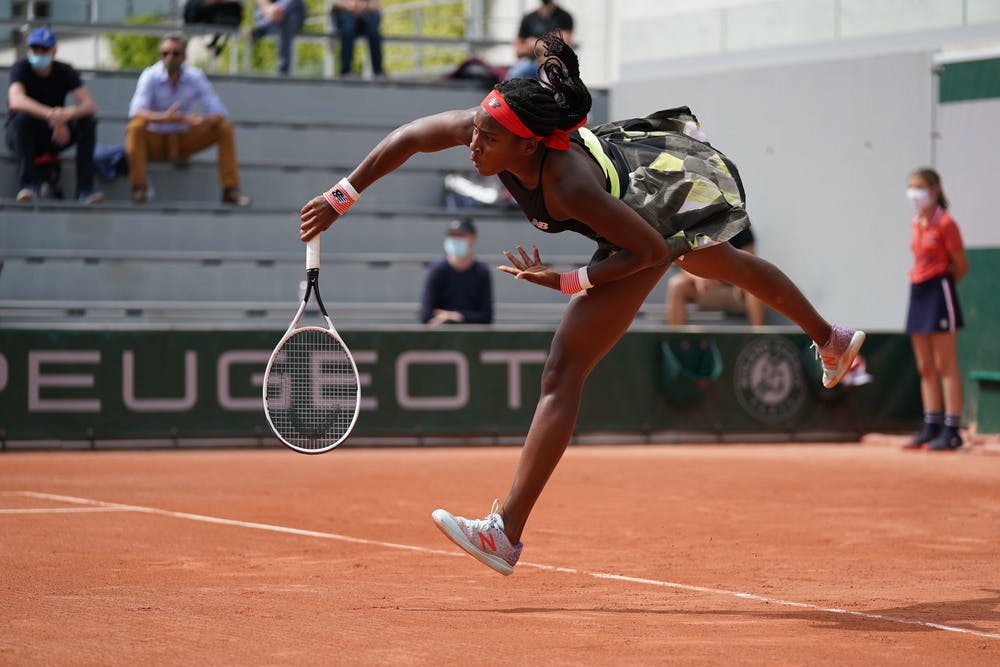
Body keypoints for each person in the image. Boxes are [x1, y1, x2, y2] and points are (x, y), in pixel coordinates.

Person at [298, 33, 866, 575]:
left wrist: (570, 281)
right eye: (475, 130)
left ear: (527, 143)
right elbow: (413, 136)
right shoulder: (496, 129)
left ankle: (505, 532)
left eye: (488, 138)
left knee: (564, 370)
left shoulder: (567, 184)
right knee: (726, 265)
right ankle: (831, 341)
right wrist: (341, 195)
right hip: (625, 190)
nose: (473, 143)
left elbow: (646, 249)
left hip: (643, 225)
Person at [125, 32, 250, 206]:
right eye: (165, 53)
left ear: (184, 56)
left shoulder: (195, 77)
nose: (170, 58)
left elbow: (218, 111)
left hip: (183, 140)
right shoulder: (150, 76)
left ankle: (230, 190)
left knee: (224, 128)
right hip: (156, 141)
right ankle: (139, 188)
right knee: (135, 127)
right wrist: (165, 118)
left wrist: (201, 121)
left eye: (175, 53)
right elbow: (137, 112)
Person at [901, 168, 968, 452]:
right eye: (911, 187)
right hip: (917, 291)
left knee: (945, 365)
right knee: (925, 366)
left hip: (939, 291)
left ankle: (952, 430)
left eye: (920, 187)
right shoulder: (917, 222)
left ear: (934, 190)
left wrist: (943, 285)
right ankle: (931, 426)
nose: (914, 193)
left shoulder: (946, 223)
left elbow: (961, 265)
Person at [5, 26, 103, 204]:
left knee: (87, 123)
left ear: (54, 51)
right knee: (21, 120)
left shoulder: (65, 71)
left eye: (44, 49)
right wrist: (52, 115)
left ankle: (84, 190)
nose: (39, 53)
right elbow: (16, 100)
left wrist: (66, 115)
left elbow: (89, 105)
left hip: (54, 134)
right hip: (24, 135)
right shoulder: (21, 68)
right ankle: (29, 185)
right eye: (35, 49)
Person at [665, 226, 765, 326]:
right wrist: (697, 277)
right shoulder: (695, 227)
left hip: (735, 290)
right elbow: (684, 262)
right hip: (708, 288)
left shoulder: (740, 228)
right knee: (677, 284)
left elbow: (749, 264)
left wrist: (731, 278)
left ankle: (758, 335)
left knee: (754, 287)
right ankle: (675, 336)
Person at [419, 217, 494, 325]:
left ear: (473, 239)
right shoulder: (437, 270)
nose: (455, 240)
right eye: (452, 236)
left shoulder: (481, 271)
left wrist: (455, 316)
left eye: (461, 236)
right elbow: (426, 315)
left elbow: (486, 316)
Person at [506, 0, 574, 80]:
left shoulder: (564, 17)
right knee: (514, 75)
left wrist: (535, 44)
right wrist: (548, 47)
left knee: (553, 77)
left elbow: (563, 50)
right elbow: (519, 51)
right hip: (531, 64)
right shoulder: (529, 18)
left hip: (553, 64)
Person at [331, 0, 384, 78]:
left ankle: (378, 71)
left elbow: (375, 4)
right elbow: (336, 2)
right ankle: (346, 71)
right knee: (347, 29)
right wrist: (351, 6)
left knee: (374, 31)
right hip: (345, 14)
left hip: (366, 14)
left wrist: (362, 7)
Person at [251, 0, 307, 76]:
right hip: (266, 15)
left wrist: (279, 10)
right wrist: (269, 8)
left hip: (291, 14)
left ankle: (262, 29)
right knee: (285, 21)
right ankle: (283, 70)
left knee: (294, 4)